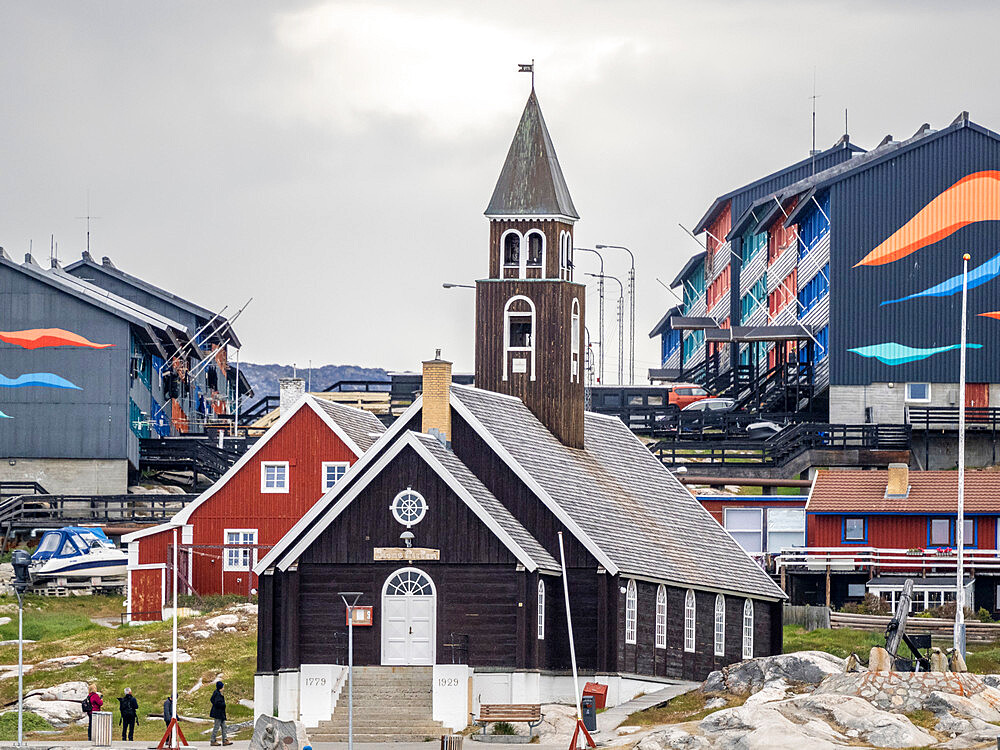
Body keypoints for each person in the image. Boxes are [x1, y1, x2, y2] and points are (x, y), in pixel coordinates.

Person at [210, 681, 231, 746]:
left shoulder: (217, 693)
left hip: (220, 714)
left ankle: (225, 740)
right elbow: (217, 703)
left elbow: (212, 700)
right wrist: (223, 705)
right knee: (216, 727)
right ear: (221, 687)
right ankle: (213, 741)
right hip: (218, 714)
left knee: (224, 726)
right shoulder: (218, 694)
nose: (223, 687)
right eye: (223, 686)